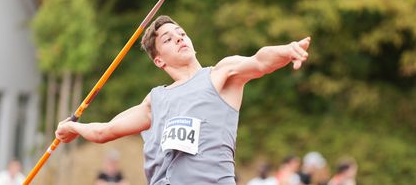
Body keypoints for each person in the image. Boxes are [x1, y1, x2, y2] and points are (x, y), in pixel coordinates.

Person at [55, 15, 311, 185]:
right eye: (168, 39)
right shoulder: (155, 100)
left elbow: (259, 60)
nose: (179, 38)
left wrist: (287, 50)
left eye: (181, 33)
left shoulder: (220, 75)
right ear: (159, 60)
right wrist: (72, 127)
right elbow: (105, 131)